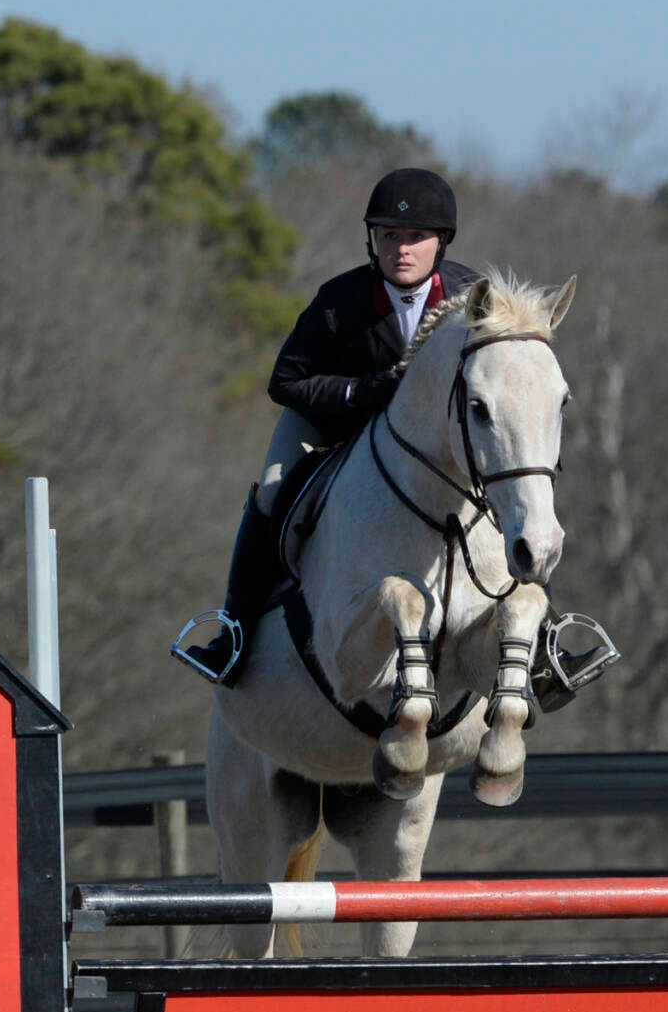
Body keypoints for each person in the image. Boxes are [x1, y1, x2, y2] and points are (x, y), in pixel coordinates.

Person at [175, 166, 481, 684]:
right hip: (333, 424)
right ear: (372, 241)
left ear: (440, 243)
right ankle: (235, 633)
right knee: (273, 493)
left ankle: (546, 637)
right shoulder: (339, 300)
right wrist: (356, 393)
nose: (401, 249)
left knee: (510, 485)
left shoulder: (472, 299)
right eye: (389, 236)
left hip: (432, 440)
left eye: (415, 237)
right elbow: (285, 381)